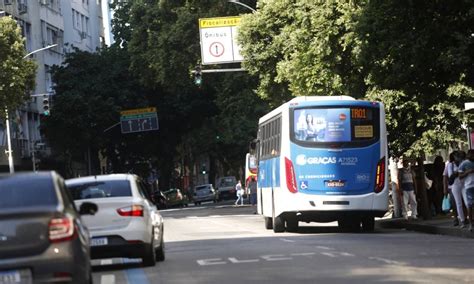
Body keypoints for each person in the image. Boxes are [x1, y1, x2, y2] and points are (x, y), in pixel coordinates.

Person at [449, 151, 468, 228]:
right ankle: (462, 221)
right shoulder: (451, 164)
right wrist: (459, 173)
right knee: (458, 203)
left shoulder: (463, 162)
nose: (457, 158)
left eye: (458, 156)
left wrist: (458, 173)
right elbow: (451, 175)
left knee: (467, 202)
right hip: (455, 185)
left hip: (464, 184)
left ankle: (470, 219)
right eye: (456, 156)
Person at [458, 149, 474, 231]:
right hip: (469, 186)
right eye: (471, 155)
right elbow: (460, 176)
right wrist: (467, 172)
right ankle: (471, 224)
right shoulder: (464, 164)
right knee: (470, 206)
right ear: (468, 155)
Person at [444, 152, 460, 226]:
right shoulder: (449, 165)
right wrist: (445, 188)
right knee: (454, 203)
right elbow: (445, 177)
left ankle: (463, 218)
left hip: (461, 185)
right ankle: (455, 218)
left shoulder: (461, 163)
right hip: (451, 187)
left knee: (461, 203)